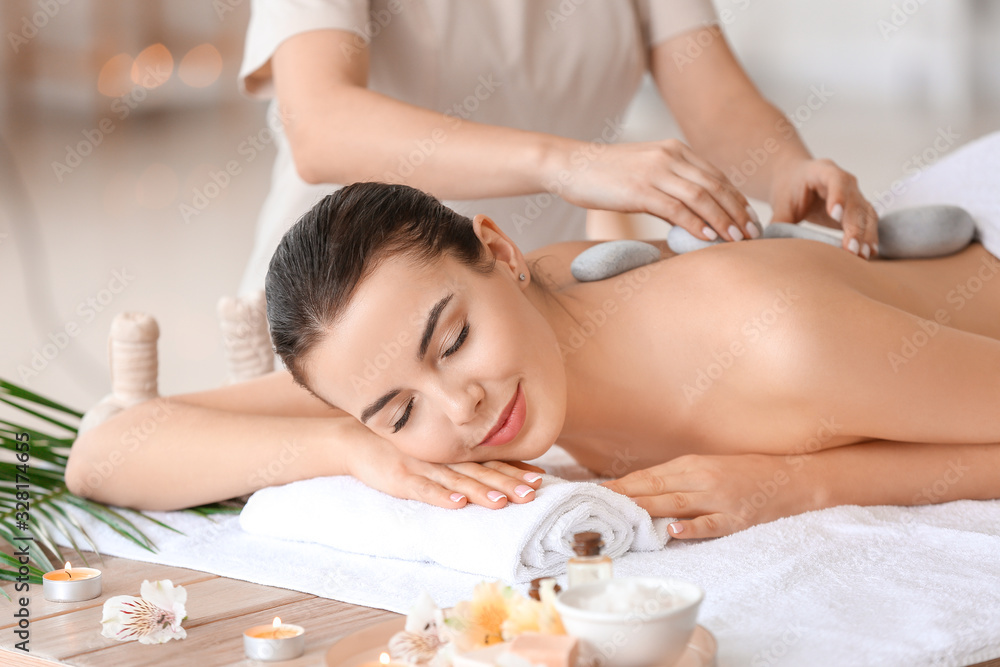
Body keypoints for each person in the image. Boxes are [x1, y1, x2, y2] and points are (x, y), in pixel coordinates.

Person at [68, 167, 1000, 540]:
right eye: (397, 411)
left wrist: (805, 485)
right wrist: (351, 448)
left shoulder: (779, 348)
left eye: (456, 339)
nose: (460, 409)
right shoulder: (398, 373)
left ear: (504, 254)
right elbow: (107, 450)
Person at [235, 0, 879, 297]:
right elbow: (319, 124)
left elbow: (717, 105)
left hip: (527, 306)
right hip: (343, 305)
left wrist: (792, 167)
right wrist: (567, 164)